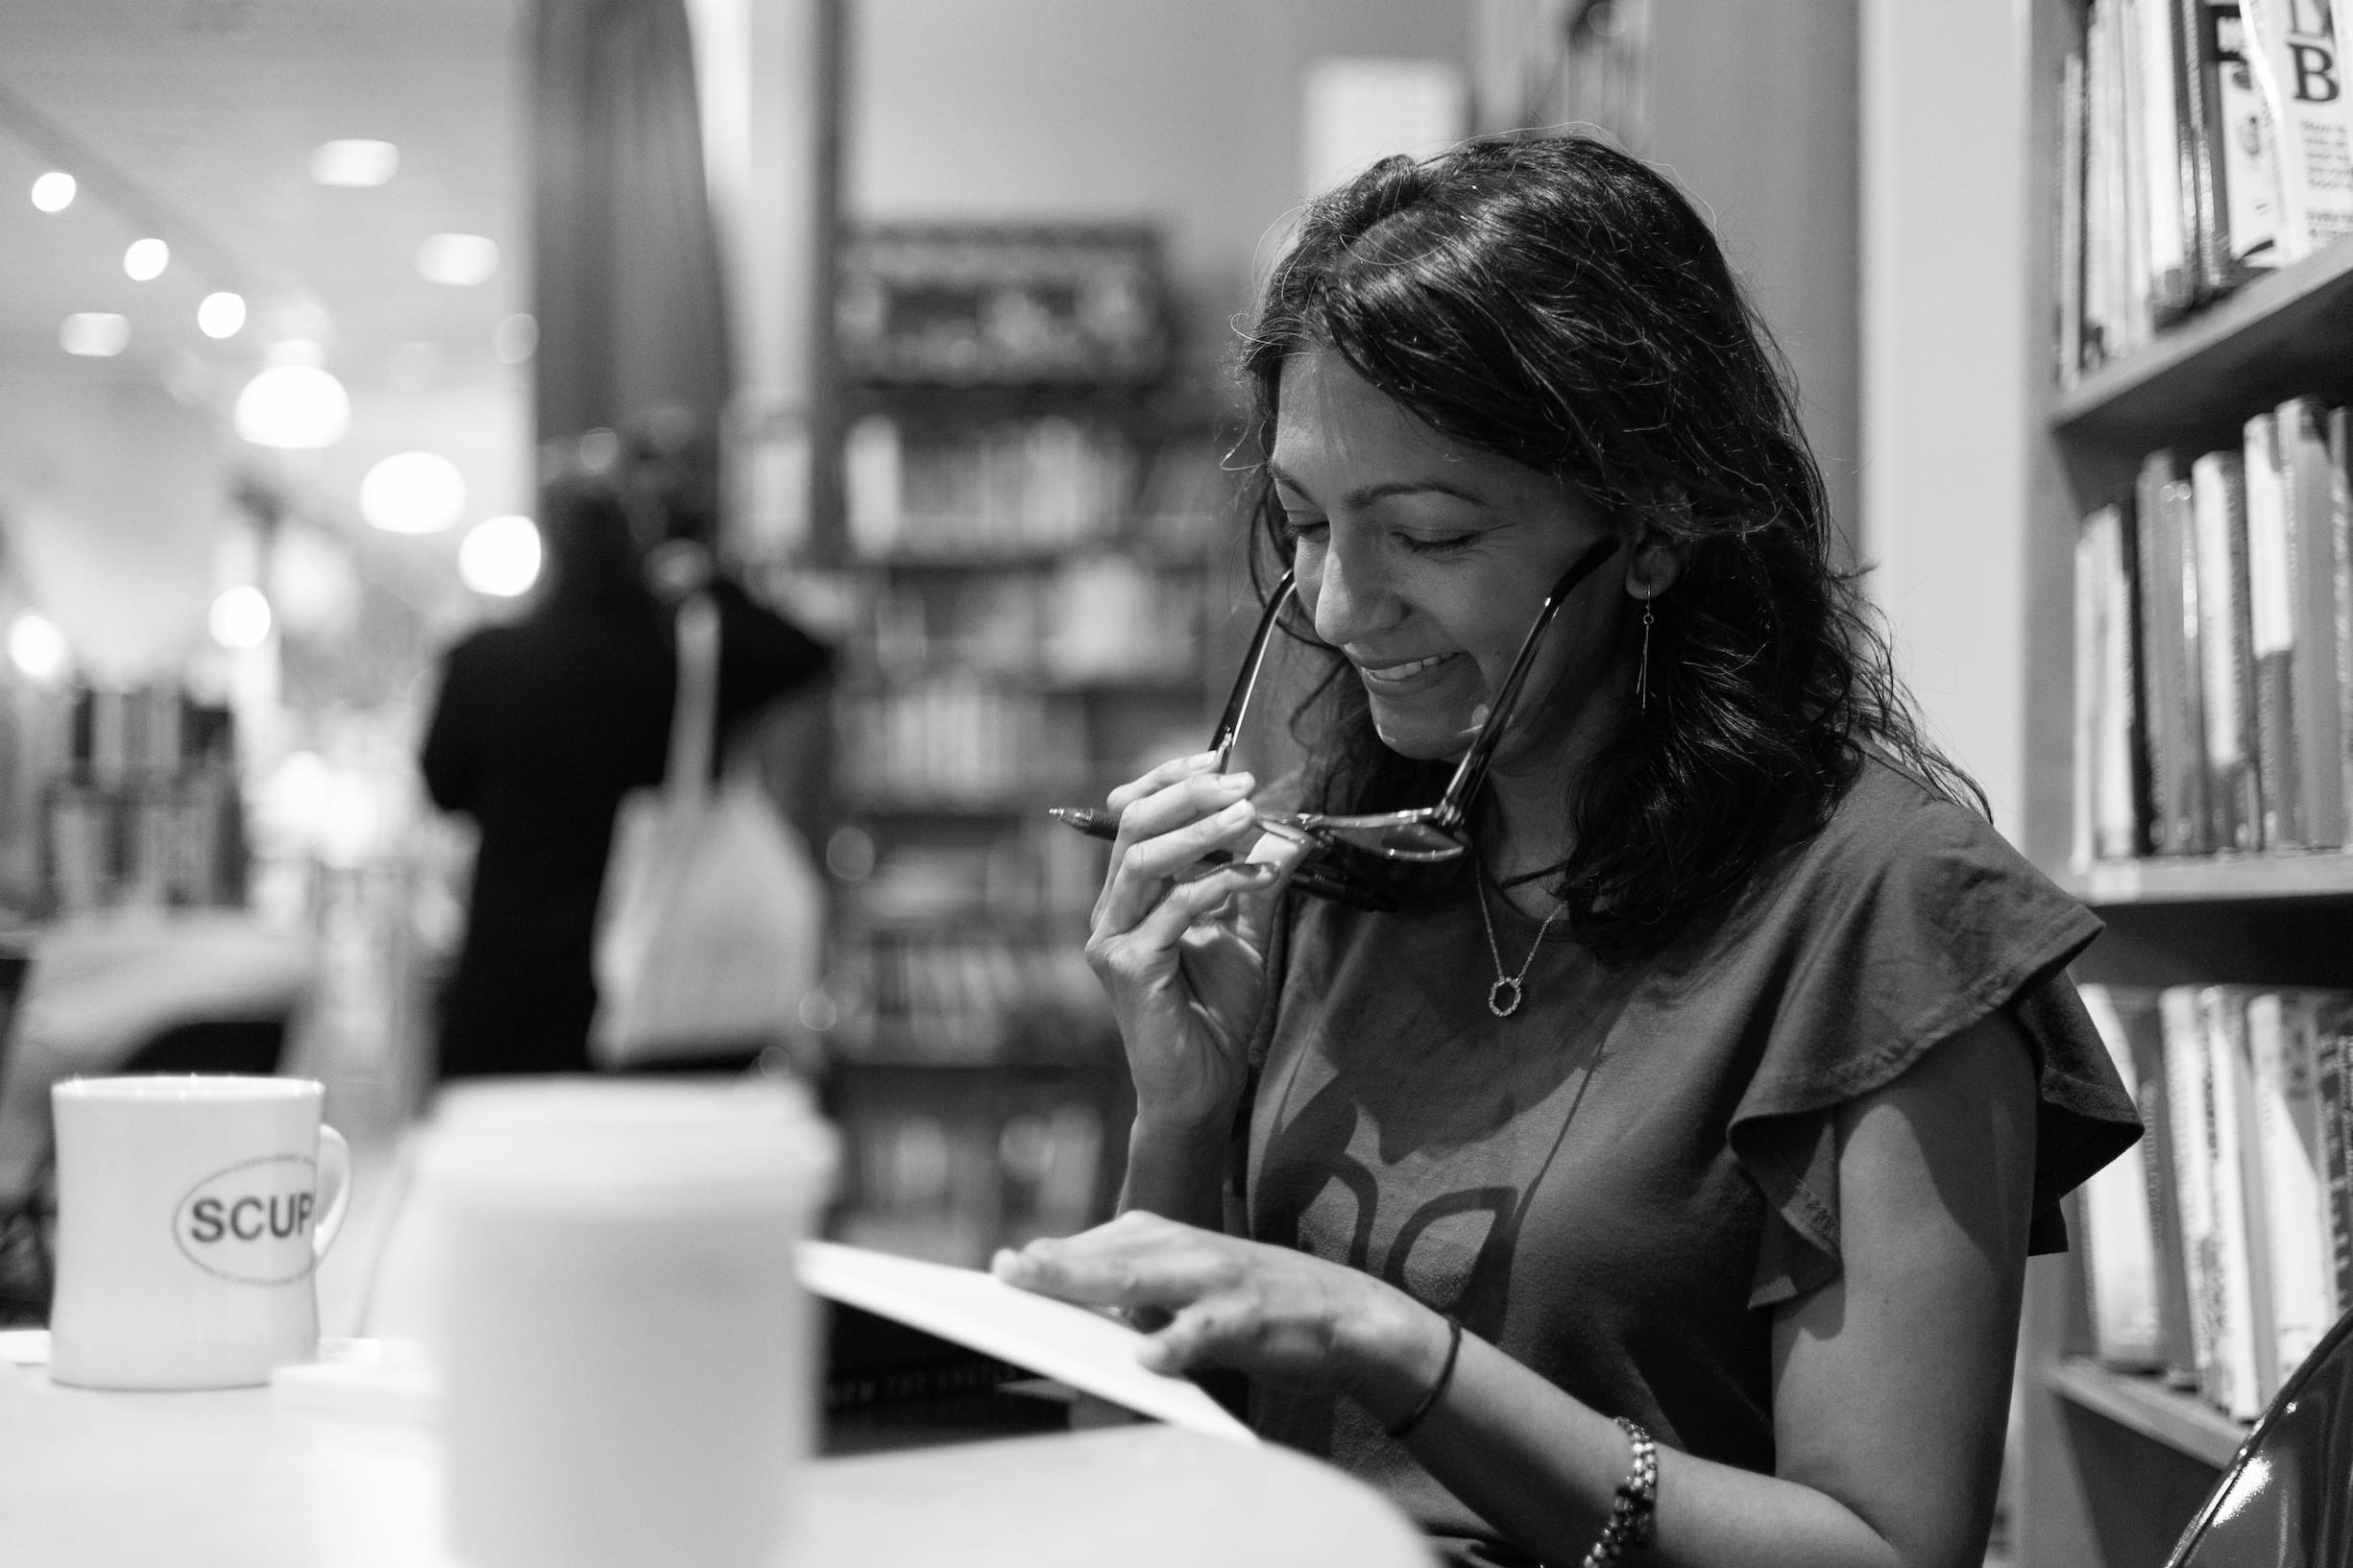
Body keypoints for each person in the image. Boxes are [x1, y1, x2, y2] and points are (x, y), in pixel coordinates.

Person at [992, 135, 2142, 1568]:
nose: (1339, 609)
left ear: (1650, 528)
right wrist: (1177, 1115)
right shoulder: (1324, 867)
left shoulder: (1886, 911)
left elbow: (1885, 1551)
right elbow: (1144, 1467)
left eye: (1427, 534)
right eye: (1300, 526)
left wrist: (1396, 1348)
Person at [420, 442, 832, 1080]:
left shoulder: (483, 661)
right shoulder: (685, 657)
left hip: (511, 993)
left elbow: (443, 789)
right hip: (664, 1001)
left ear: (549, 540)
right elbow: (809, 651)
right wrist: (703, 572)